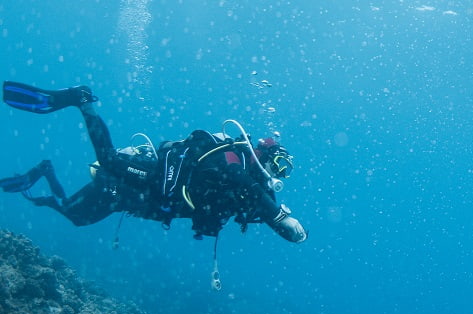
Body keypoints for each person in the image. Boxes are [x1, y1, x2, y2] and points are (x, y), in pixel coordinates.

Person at [1, 81, 306, 244]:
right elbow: (239, 178)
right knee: (107, 160)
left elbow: (260, 204)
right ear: (263, 154)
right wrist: (280, 216)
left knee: (77, 218)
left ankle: (45, 170)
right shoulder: (235, 156)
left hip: (147, 201)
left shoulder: (256, 191)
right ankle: (83, 102)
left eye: (286, 170)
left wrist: (286, 229)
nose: (280, 172)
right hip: (151, 176)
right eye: (280, 163)